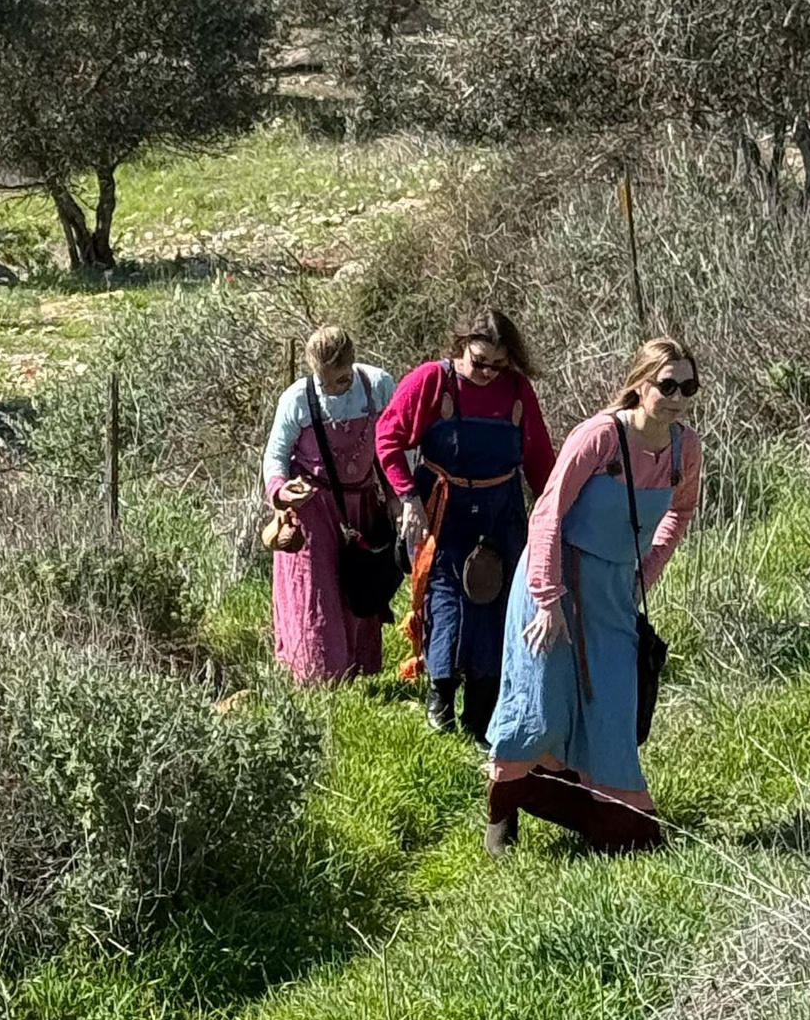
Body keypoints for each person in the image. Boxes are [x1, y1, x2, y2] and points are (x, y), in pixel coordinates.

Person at [486, 337, 702, 855]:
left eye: (687, 387)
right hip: (553, 580)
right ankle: (504, 809)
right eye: (666, 385)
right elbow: (547, 514)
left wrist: (642, 575)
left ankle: (615, 829)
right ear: (640, 384)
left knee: (611, 708)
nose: (676, 397)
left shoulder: (684, 448)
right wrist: (547, 596)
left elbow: (680, 513)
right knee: (542, 703)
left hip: (612, 593)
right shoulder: (599, 437)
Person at [374, 307, 556, 746]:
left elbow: (539, 461)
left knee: (494, 606)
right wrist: (408, 499)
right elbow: (387, 438)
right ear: (460, 348)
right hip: (445, 508)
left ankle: (481, 713)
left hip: (501, 510)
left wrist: (554, 516)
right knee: (445, 601)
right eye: (479, 362)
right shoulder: (431, 383)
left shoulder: (517, 392)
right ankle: (440, 702)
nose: (488, 373)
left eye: (498, 364)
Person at [261, 323, 400, 683]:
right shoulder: (297, 400)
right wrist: (280, 491)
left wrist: (397, 496)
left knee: (357, 584)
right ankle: (318, 677)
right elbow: (275, 455)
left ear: (352, 365)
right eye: (322, 380)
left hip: (362, 504)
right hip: (313, 509)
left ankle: (357, 668)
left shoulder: (378, 387)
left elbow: (392, 446)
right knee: (316, 592)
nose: (329, 388)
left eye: (338, 379)